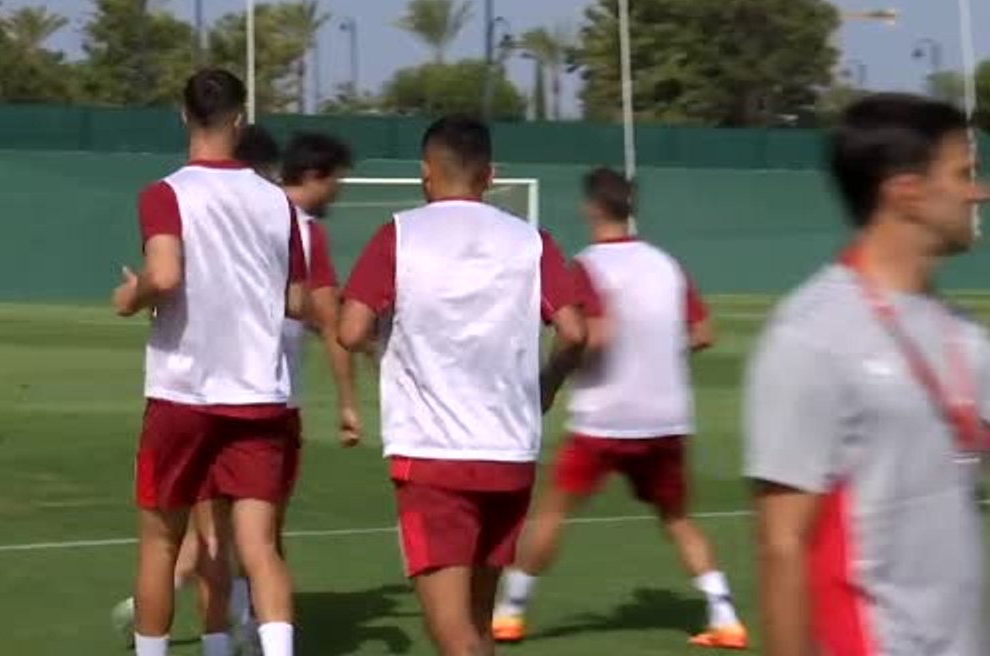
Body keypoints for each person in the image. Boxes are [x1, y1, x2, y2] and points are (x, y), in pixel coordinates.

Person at [745, 93, 989, 656]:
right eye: (964, 174)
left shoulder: (962, 332)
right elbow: (783, 545)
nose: (979, 191)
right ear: (906, 190)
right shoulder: (812, 334)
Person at [338, 115, 587, 656]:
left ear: (426, 173)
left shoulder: (399, 234)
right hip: (510, 452)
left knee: (451, 634)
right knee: (477, 626)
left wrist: (384, 351)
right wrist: (544, 387)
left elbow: (350, 327)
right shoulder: (531, 241)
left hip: (433, 456)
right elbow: (573, 331)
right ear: (491, 175)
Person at [491, 166, 746, 649]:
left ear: (590, 208)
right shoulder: (667, 264)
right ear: (631, 209)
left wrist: (548, 381)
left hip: (606, 418)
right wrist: (655, 353)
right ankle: (725, 615)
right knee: (678, 520)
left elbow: (594, 335)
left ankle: (510, 613)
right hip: (666, 417)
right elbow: (702, 333)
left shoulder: (587, 265)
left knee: (552, 511)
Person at [114, 68, 305, 656]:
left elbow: (166, 275)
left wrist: (132, 295)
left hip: (185, 391)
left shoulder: (166, 193)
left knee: (161, 544)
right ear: (240, 121)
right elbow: (296, 301)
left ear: (183, 115)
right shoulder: (280, 203)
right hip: (260, 395)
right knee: (261, 548)